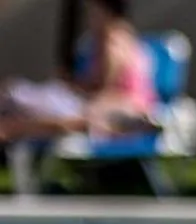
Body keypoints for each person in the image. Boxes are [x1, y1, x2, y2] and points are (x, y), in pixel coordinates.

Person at [0, 0, 155, 145]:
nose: (89, 19)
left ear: (104, 11)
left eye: (92, 12)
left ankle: (10, 129)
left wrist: (73, 89)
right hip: (125, 106)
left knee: (66, 117)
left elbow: (103, 87)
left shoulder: (111, 40)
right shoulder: (125, 34)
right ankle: (11, 128)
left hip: (119, 106)